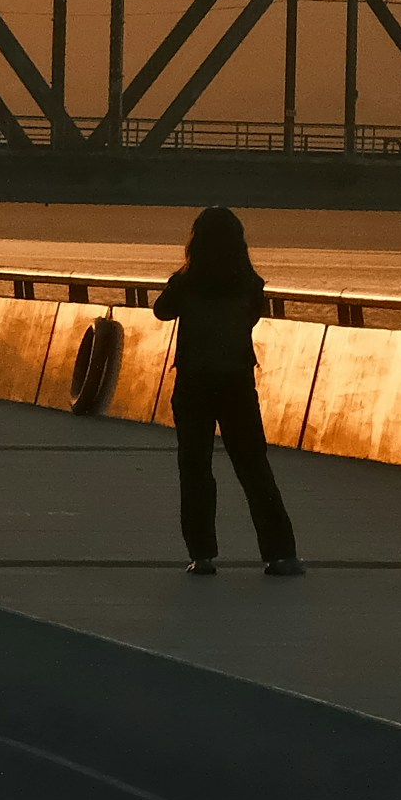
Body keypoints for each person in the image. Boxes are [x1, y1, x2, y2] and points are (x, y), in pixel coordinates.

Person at [154, 206, 302, 577]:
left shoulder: (185, 283)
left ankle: (201, 555)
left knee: (195, 468)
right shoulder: (250, 285)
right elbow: (251, 317)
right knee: (254, 467)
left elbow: (161, 312)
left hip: (193, 383)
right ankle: (279, 553)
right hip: (236, 382)